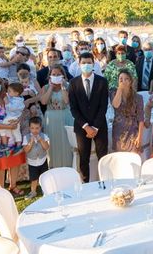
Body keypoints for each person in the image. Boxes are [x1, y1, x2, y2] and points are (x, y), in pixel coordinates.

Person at [68, 53, 109, 181]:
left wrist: (95, 127)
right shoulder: (73, 83)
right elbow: (73, 108)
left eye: (89, 62)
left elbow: (103, 106)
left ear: (93, 64)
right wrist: (86, 127)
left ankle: (104, 181)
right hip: (82, 128)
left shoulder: (102, 81)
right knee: (83, 158)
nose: (86, 65)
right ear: (79, 65)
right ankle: (85, 183)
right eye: (83, 63)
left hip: (100, 126)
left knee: (102, 156)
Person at [0, 75, 27, 193]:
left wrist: (18, 120)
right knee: (1, 162)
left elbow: (19, 111)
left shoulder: (10, 98)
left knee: (15, 160)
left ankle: (13, 185)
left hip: (14, 133)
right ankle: (1, 189)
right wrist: (7, 126)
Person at [39, 66, 73, 168]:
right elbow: (44, 101)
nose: (56, 76)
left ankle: (68, 167)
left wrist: (62, 87)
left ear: (63, 75)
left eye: (58, 74)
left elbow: (67, 101)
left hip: (65, 117)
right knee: (52, 145)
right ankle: (53, 168)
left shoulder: (68, 86)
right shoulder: (45, 87)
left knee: (67, 144)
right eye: (53, 74)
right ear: (49, 76)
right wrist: (50, 88)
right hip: (51, 119)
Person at [110, 69, 144, 153]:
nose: (123, 81)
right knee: (120, 160)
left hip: (133, 131)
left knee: (133, 158)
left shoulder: (138, 97)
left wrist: (139, 137)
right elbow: (115, 105)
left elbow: (141, 118)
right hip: (118, 132)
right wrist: (119, 90)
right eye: (120, 79)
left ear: (130, 82)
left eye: (126, 79)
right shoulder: (114, 94)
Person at [22, 116, 49, 199]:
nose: (35, 130)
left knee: (44, 176)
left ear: (40, 127)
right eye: (32, 128)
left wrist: (41, 140)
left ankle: (46, 190)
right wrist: (31, 142)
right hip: (32, 162)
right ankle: (33, 191)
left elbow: (46, 147)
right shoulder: (26, 137)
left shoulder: (44, 136)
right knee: (34, 178)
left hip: (42, 160)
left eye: (37, 128)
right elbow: (26, 150)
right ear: (29, 128)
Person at [0, 82, 25, 149]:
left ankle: (5, 144)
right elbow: (6, 94)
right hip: (15, 118)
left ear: (16, 93)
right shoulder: (14, 97)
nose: (8, 92)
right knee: (16, 132)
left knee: (2, 128)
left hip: (11, 117)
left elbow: (10, 107)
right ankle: (18, 145)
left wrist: (5, 100)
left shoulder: (18, 101)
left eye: (10, 91)